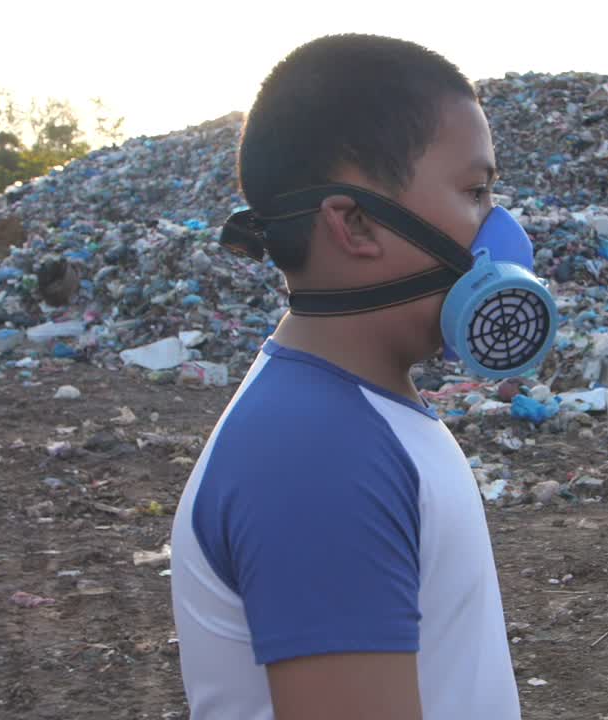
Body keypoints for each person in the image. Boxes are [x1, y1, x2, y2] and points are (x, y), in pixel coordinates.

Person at [170, 33, 547, 719]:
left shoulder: (353, 414)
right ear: (357, 224)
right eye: (475, 191)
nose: (500, 230)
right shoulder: (318, 453)